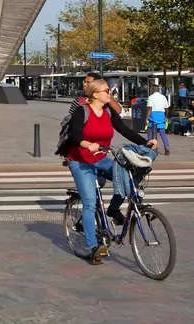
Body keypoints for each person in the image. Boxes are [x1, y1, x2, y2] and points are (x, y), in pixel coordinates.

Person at [65, 78, 158, 265]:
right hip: (80, 161)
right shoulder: (82, 111)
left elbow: (124, 129)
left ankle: (113, 209)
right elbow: (74, 135)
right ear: (95, 94)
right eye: (107, 90)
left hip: (101, 158)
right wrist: (87, 144)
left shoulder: (108, 111)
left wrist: (145, 142)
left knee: (126, 177)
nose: (110, 93)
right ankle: (93, 247)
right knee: (89, 203)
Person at [144, 86, 171, 156]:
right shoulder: (163, 97)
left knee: (150, 132)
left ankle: (150, 147)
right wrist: (166, 116)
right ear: (158, 90)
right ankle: (166, 146)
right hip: (161, 116)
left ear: (152, 90)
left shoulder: (150, 97)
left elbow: (150, 108)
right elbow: (166, 108)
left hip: (153, 116)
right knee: (163, 133)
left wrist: (146, 118)